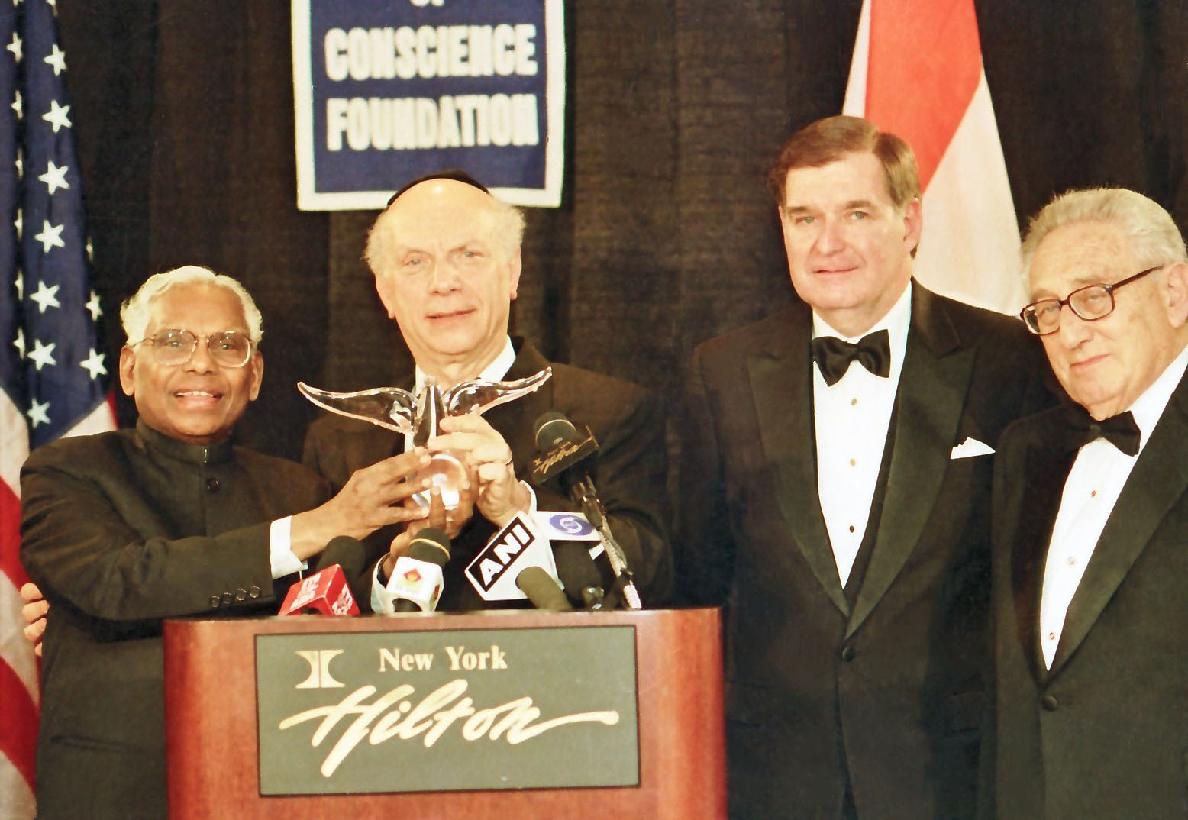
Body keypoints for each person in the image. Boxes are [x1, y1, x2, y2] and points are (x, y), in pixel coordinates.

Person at [677, 116, 1052, 818]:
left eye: (856, 213)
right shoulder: (720, 372)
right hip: (777, 783)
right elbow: (698, 582)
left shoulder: (1010, 362)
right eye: (804, 218)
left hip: (952, 778)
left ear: (909, 222)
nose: (828, 244)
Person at [19, 266, 431, 819]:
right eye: (173, 341)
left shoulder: (299, 489)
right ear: (129, 368)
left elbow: (342, 629)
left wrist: (393, 574)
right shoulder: (65, 472)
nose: (201, 363)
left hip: (277, 786)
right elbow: (119, 582)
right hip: (118, 794)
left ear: (255, 375)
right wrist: (312, 528)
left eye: (226, 345)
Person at [303, 171, 671, 610]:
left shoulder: (607, 411)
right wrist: (391, 573)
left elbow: (651, 579)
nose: (443, 282)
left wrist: (519, 508)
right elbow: (307, 612)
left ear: (512, 272)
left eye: (468, 255)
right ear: (385, 292)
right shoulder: (339, 441)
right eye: (415, 262)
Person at [984, 188, 1187, 819]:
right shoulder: (1026, 450)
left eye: (1094, 295)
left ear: (1175, 292)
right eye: (1047, 309)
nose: (1070, 332)